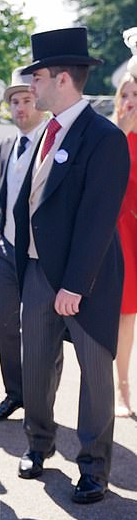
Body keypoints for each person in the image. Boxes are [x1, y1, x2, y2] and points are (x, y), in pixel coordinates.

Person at [13, 27, 130, 503]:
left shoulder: (103, 138)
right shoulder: (44, 131)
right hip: (40, 273)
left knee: (95, 376)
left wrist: (76, 285)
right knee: (37, 368)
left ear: (61, 78)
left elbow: (98, 220)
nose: (30, 86)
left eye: (36, 76)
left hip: (89, 279)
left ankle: (94, 466)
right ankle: (39, 445)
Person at [0, 69, 47, 421]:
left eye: (26, 99)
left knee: (41, 333)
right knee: (3, 323)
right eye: (14, 101)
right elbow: (3, 193)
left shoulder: (52, 141)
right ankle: (16, 394)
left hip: (39, 255)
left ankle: (41, 406)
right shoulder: (8, 145)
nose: (20, 107)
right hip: (7, 252)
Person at [111, 71, 137, 417]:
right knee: (125, 313)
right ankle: (121, 386)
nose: (131, 100)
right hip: (121, 231)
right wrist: (124, 131)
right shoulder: (111, 134)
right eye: (126, 94)